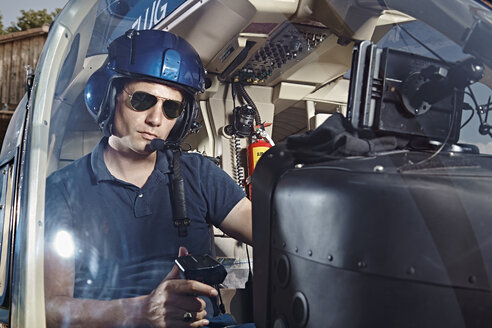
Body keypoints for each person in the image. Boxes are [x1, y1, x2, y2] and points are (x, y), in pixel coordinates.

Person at [44, 29, 252, 327]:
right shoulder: (62, 190)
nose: (156, 119)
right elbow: (52, 308)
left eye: (171, 108)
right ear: (109, 98)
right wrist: (140, 312)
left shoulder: (200, 174)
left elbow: (275, 235)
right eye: (142, 100)